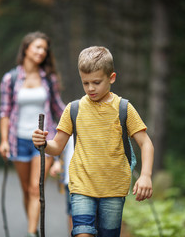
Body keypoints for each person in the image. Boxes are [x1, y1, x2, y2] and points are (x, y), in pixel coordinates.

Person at [32, 46, 154, 237]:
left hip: (114, 189)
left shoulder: (124, 108)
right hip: (82, 187)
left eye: (96, 82)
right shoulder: (74, 109)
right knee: (82, 233)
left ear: (111, 78)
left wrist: (145, 175)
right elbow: (56, 147)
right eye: (85, 82)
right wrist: (44, 143)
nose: (90, 88)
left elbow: (146, 143)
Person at [0, 31, 65, 237]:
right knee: (27, 190)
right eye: (37, 47)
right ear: (26, 48)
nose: (41, 52)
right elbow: (5, 111)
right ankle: (33, 226)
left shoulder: (49, 79)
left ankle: (30, 233)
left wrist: (77, 119)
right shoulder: (10, 79)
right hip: (17, 140)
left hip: (43, 140)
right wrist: (3, 141)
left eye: (44, 49)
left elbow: (58, 108)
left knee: (37, 189)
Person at [49, 135, 74, 236]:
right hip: (70, 180)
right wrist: (57, 162)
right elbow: (60, 145)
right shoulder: (70, 123)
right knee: (72, 214)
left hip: (95, 180)